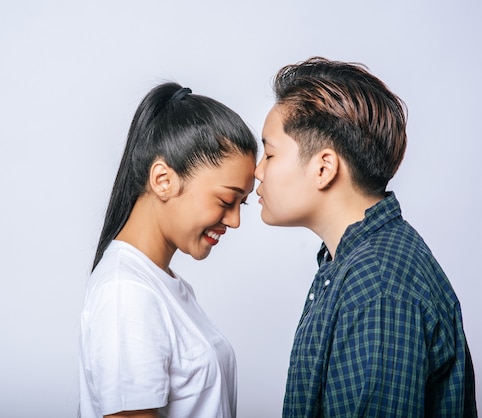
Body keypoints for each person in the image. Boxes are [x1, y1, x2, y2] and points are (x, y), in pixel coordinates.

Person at [255, 57, 477, 417]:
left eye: (269, 153)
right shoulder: (357, 263)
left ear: (324, 168)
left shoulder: (377, 286)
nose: (257, 170)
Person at [79, 82, 258, 417]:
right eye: (226, 200)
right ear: (163, 180)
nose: (234, 221)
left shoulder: (157, 284)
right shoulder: (128, 293)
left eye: (242, 204)